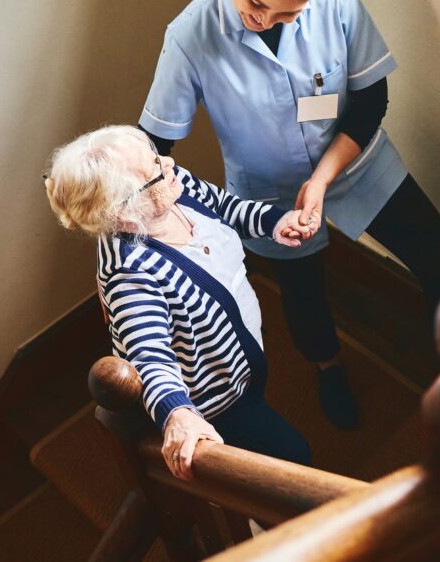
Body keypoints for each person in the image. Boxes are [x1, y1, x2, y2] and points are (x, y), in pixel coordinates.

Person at [137, 0, 440, 429]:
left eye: (287, 15)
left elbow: (369, 101)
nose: (264, 20)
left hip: (353, 160)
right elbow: (154, 145)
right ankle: (327, 366)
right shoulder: (190, 36)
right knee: (304, 293)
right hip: (267, 189)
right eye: (255, 3)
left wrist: (321, 179)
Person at [44, 125, 315, 479]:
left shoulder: (171, 188)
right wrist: (178, 413)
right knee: (295, 460)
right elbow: (149, 356)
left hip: (242, 362)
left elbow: (224, 207)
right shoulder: (130, 276)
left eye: (157, 157)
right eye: (155, 168)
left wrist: (273, 222)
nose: (170, 164)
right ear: (123, 209)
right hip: (219, 399)